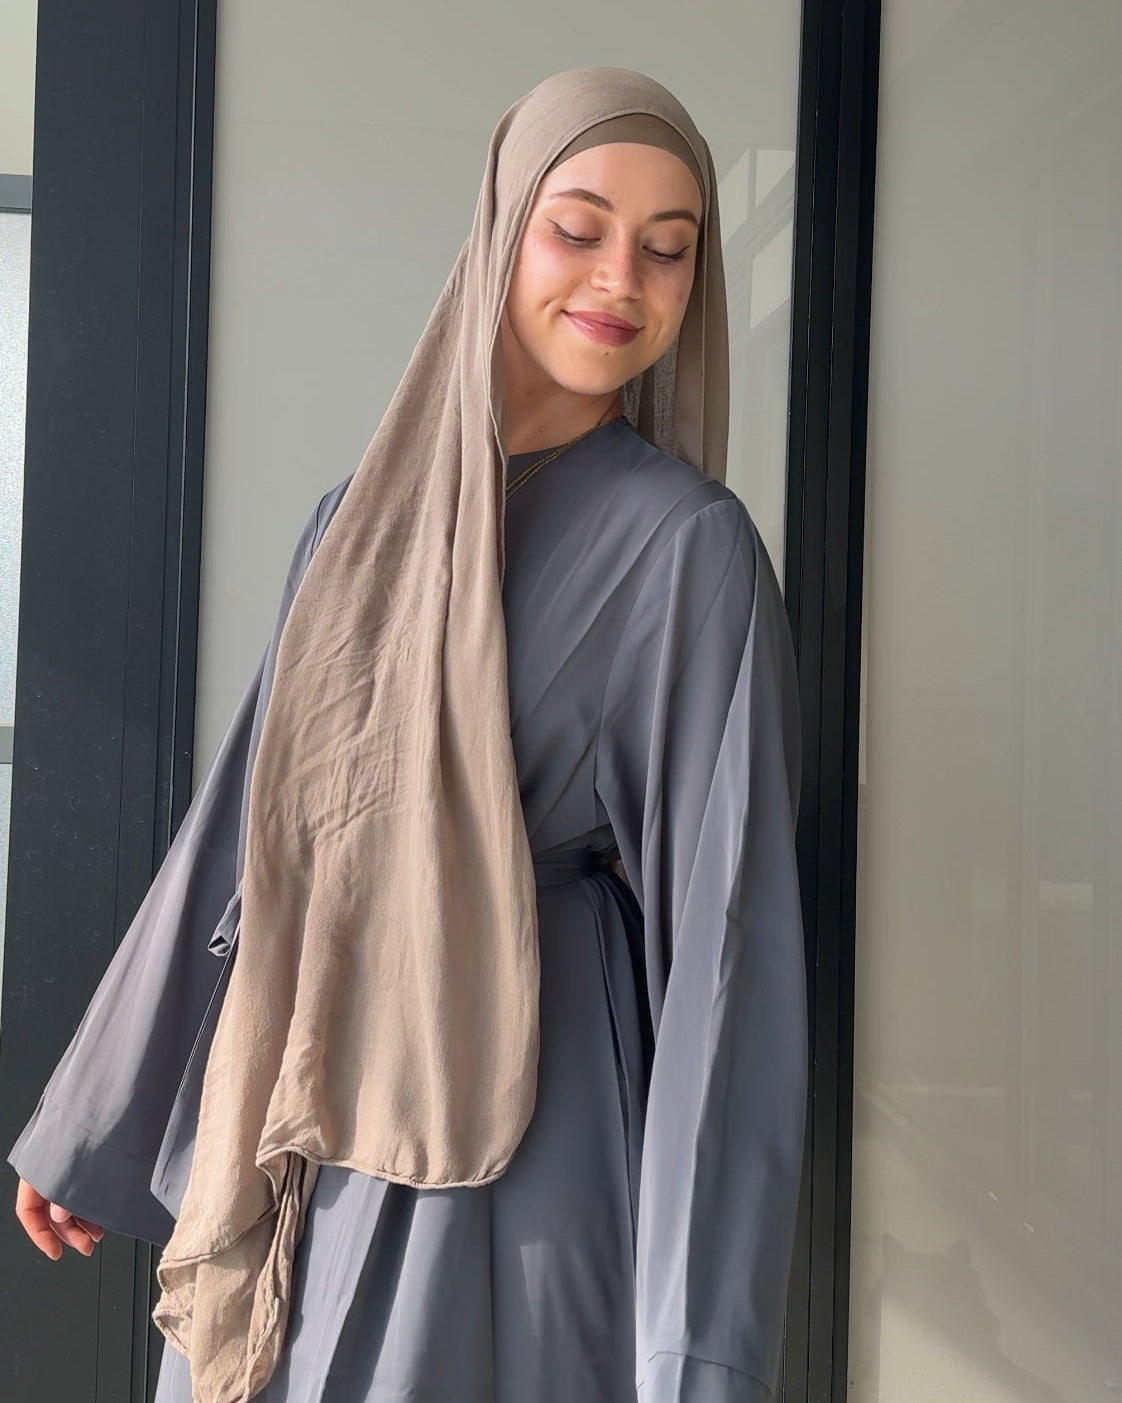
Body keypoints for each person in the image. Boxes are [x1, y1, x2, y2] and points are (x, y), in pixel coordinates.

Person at [10, 66, 807, 1403]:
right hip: (300, 1095)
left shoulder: (686, 548)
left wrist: (698, 1346)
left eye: (668, 250)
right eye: (579, 226)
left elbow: (725, 957)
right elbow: (250, 834)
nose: (622, 277)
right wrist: (90, 1124)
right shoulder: (358, 514)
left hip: (522, 1125)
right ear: (499, 229)